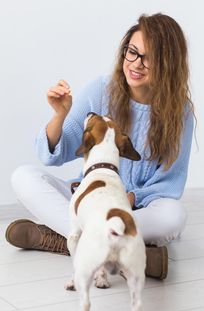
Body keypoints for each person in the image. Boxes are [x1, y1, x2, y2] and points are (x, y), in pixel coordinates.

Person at [5, 13, 195, 280]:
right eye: (133, 52)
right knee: (23, 177)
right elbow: (55, 154)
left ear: (168, 64)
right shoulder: (101, 90)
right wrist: (59, 116)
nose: (137, 64)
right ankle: (118, 252)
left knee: (174, 216)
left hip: (132, 210)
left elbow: (169, 184)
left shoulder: (180, 112)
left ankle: (70, 242)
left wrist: (131, 199)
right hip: (90, 199)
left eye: (149, 57)